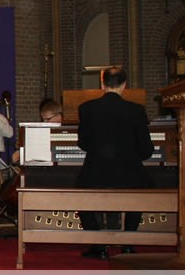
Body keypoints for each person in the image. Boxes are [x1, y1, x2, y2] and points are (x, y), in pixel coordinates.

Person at [76, 67, 153, 259]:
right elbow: (146, 149)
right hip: (130, 173)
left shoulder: (86, 108)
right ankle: (128, 244)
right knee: (139, 189)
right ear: (124, 85)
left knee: (78, 192)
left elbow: (83, 143)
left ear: (102, 84)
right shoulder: (136, 110)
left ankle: (99, 246)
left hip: (96, 172)